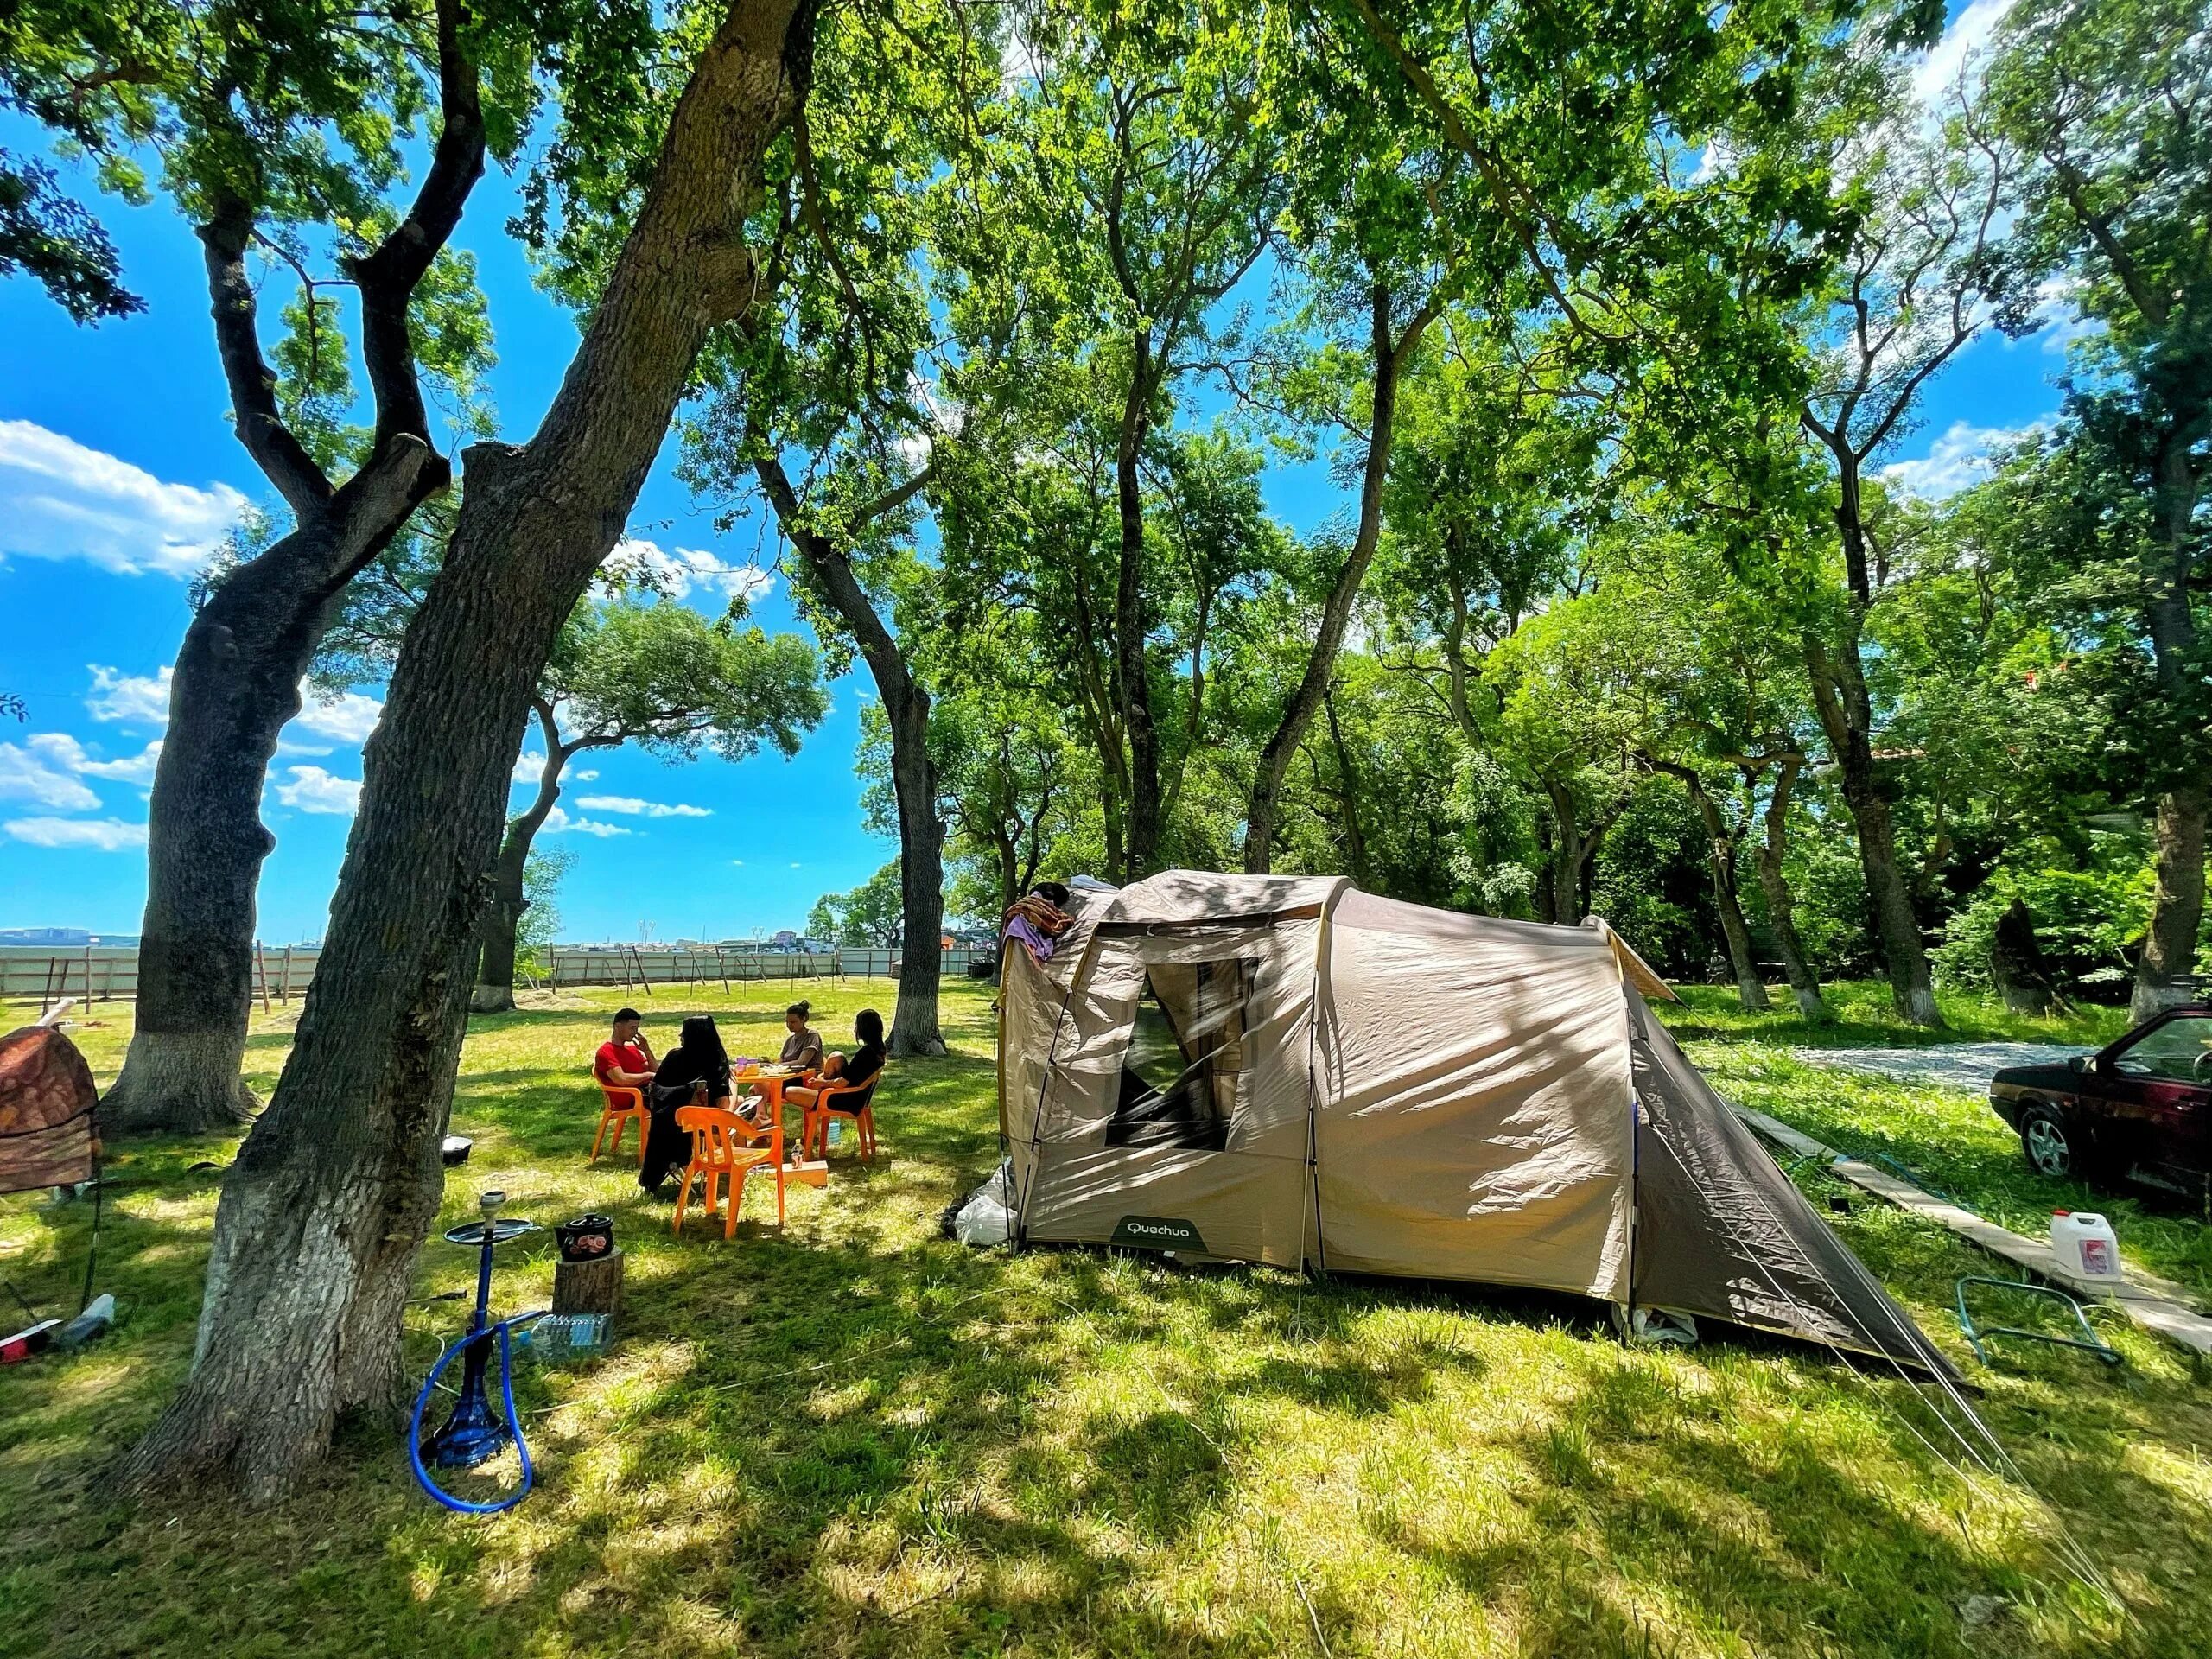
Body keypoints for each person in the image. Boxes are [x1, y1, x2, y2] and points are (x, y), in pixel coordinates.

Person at [639, 1014, 732, 1196]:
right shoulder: (716, 1061)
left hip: (667, 1122)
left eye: (683, 1033)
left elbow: (657, 1090)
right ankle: (729, 1171)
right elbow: (723, 1105)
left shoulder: (674, 1057)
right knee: (737, 1116)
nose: (680, 1037)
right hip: (706, 1123)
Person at [786, 1008, 887, 1118]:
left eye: (857, 1026)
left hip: (845, 1101)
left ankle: (814, 1120)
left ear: (865, 1029)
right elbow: (851, 1076)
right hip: (854, 1097)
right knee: (837, 1056)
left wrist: (823, 1083)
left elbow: (842, 1083)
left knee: (790, 1092)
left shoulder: (865, 1054)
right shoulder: (878, 1051)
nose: (855, 1030)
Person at [594, 1008, 656, 1089]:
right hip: (635, 1095)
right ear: (617, 1027)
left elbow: (656, 1071)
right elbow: (622, 1079)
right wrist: (647, 1075)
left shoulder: (632, 1049)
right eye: (632, 1028)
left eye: (637, 1028)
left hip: (650, 1090)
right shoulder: (606, 1051)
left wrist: (647, 1051)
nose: (635, 1032)